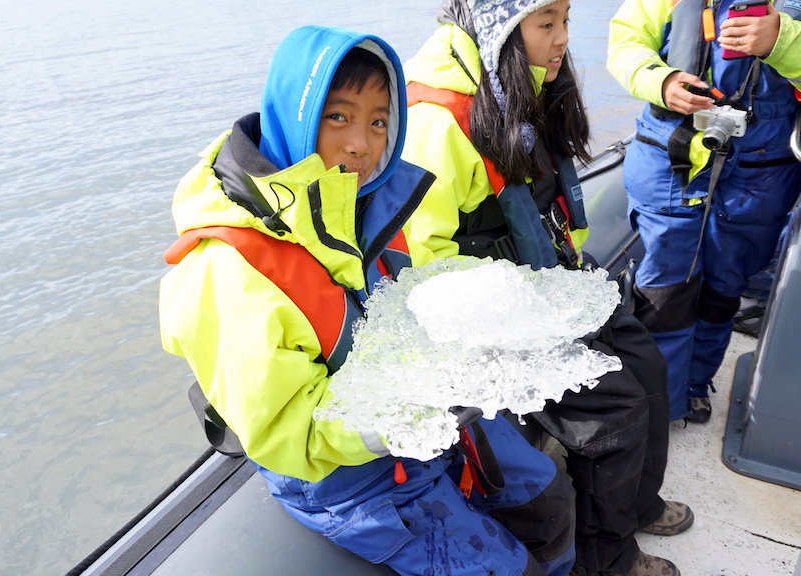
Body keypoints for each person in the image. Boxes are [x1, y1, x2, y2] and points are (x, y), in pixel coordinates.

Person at [159, 25, 579, 576]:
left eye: (379, 121)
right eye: (339, 116)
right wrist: (392, 421)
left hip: (430, 428)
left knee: (547, 497)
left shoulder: (370, 204)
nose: (361, 142)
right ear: (296, 115)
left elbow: (412, 309)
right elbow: (289, 432)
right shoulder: (223, 269)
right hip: (345, 479)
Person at [400, 2, 693, 575]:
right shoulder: (439, 120)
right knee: (616, 411)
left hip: (556, 287)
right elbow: (422, 261)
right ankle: (608, 560)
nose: (562, 39)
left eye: (564, 18)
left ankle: (634, 506)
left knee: (648, 368)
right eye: (545, 24)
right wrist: (511, 315)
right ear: (500, 31)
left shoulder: (529, 83)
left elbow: (550, 203)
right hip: (497, 318)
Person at [608, 0, 801, 422]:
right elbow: (627, 40)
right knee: (663, 286)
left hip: (763, 168)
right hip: (670, 155)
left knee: (725, 287)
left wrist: (783, 41)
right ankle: (656, 399)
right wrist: (660, 81)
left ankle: (693, 386)